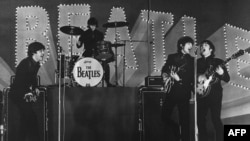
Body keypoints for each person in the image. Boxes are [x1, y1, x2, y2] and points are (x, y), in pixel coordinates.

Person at [9, 42, 45, 141]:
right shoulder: (25, 63)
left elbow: (32, 78)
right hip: (17, 93)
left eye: (43, 51)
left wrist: (35, 87)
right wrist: (27, 92)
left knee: (25, 120)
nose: (43, 53)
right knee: (31, 118)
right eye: (41, 51)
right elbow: (19, 82)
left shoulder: (36, 63)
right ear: (34, 52)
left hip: (24, 93)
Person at [161, 36, 194, 141]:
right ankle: (175, 129)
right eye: (189, 44)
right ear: (181, 45)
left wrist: (179, 79)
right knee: (164, 116)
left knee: (185, 121)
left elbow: (190, 78)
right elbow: (165, 69)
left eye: (191, 44)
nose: (191, 46)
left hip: (184, 92)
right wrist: (165, 76)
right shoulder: (172, 57)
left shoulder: (192, 60)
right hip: (172, 92)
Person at [197, 40, 230, 141]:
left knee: (215, 119)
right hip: (201, 93)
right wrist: (198, 78)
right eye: (201, 45)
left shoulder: (218, 62)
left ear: (210, 49)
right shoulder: (197, 62)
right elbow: (193, 78)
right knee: (200, 120)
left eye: (205, 45)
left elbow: (227, 79)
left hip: (215, 94)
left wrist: (221, 73)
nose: (202, 46)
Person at [76, 17, 115, 87]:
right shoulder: (84, 33)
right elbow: (79, 45)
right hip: (87, 54)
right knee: (81, 65)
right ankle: (81, 83)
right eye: (91, 25)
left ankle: (107, 82)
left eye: (94, 25)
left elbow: (101, 45)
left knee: (106, 65)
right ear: (89, 25)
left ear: (96, 25)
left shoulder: (100, 34)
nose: (92, 27)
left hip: (97, 54)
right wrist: (78, 43)